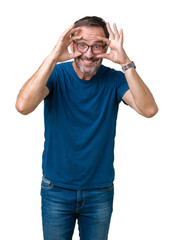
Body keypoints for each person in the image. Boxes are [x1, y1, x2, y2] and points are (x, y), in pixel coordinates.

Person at [15, 16, 158, 240]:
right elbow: (23, 106)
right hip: (56, 190)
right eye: (82, 44)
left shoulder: (115, 80)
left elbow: (149, 110)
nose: (89, 54)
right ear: (71, 45)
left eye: (97, 46)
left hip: (99, 192)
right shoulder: (55, 75)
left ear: (106, 47)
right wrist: (53, 57)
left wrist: (125, 62)